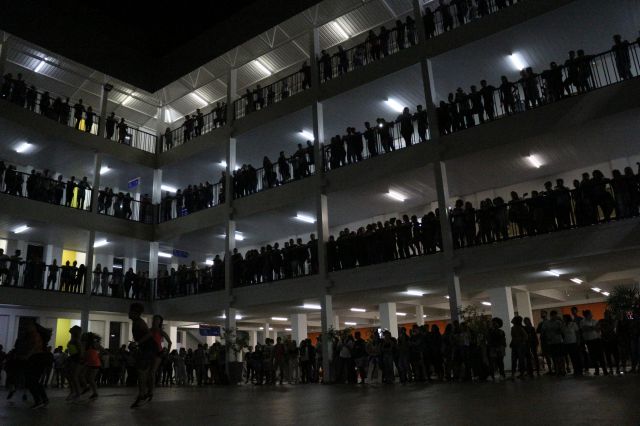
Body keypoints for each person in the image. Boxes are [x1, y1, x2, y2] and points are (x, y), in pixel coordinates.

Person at [129, 303, 156, 408]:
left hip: (147, 349)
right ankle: (144, 393)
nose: (129, 314)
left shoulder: (139, 323)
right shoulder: (136, 322)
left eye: (131, 312)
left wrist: (137, 343)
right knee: (143, 372)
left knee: (142, 372)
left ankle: (142, 394)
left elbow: (149, 334)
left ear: (136, 313)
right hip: (146, 349)